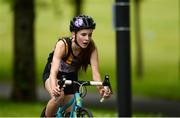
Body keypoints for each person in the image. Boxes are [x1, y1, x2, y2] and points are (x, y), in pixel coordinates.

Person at [42, 15, 112, 117]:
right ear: (74, 34)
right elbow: (53, 72)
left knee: (72, 110)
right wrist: (54, 88)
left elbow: (96, 73)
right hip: (53, 75)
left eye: (90, 35)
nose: (87, 39)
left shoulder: (91, 48)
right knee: (59, 97)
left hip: (71, 77)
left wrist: (101, 89)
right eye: (83, 34)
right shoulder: (63, 45)